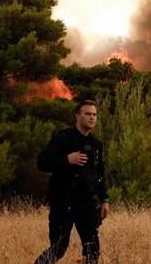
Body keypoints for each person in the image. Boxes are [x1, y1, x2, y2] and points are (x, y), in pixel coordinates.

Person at [34, 100, 109, 264]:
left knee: (92, 250)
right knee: (58, 248)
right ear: (77, 116)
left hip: (87, 203)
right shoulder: (63, 138)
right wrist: (66, 159)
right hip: (63, 201)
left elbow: (100, 175)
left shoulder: (96, 145)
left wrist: (104, 200)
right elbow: (42, 162)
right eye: (87, 114)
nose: (92, 118)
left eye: (94, 114)